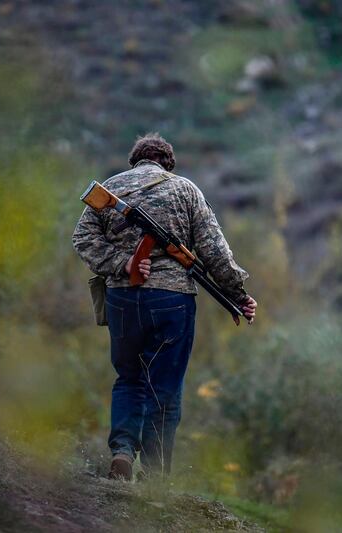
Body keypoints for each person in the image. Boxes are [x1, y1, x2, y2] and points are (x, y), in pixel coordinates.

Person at [72, 133, 257, 480]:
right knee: (165, 390)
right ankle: (155, 476)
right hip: (172, 301)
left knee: (128, 379)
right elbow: (215, 250)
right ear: (167, 163)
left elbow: (82, 239)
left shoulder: (113, 188)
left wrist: (122, 263)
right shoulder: (185, 190)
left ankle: (123, 452)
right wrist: (239, 293)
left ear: (135, 161)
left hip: (122, 300)